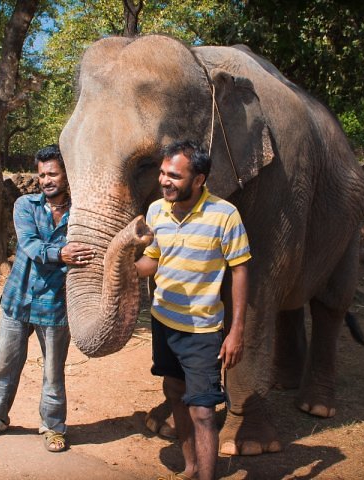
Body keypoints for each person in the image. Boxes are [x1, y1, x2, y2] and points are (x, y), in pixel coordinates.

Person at [135, 141, 251, 480]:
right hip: (163, 322)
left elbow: (240, 270)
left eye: (174, 175)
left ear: (199, 179)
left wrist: (236, 330)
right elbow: (152, 262)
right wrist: (123, 266)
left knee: (202, 410)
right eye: (162, 173)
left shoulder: (224, 215)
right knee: (174, 394)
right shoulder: (157, 211)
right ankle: (190, 468)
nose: (164, 181)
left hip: (202, 330)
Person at [0, 144, 95, 452]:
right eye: (42, 174)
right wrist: (62, 254)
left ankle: (53, 427)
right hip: (18, 300)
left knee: (53, 373)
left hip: (55, 305)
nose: (46, 180)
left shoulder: (82, 215)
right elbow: (30, 245)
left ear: (68, 175)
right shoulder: (26, 205)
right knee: (4, 366)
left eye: (53, 173)